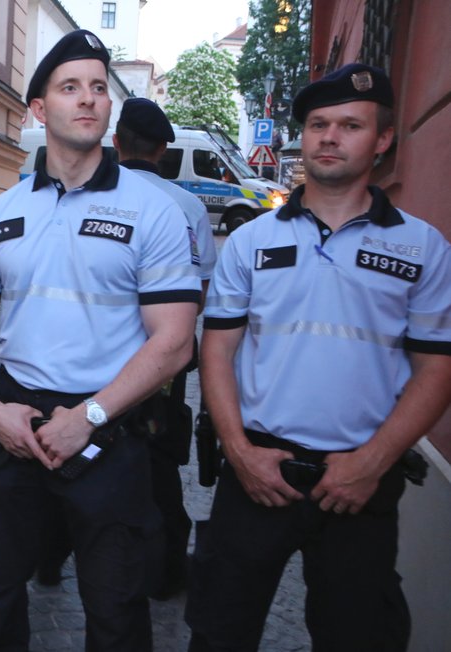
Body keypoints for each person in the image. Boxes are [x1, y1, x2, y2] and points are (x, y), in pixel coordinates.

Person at [185, 63, 451, 652]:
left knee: (357, 636)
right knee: (218, 632)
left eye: (350, 125)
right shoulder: (252, 241)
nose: (329, 137)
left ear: (382, 141)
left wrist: (373, 463)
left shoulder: (422, 247)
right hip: (258, 473)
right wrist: (239, 451)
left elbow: (438, 369)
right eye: (317, 124)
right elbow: (218, 350)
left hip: (358, 483)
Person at [0, 30, 201, 651]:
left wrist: (89, 417)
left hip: (109, 428)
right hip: (14, 423)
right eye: (70, 88)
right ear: (39, 109)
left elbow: (173, 341)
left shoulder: (154, 210)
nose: (88, 99)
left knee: (116, 610)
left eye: (98, 88)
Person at [114, 97, 217, 598]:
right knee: (156, 458)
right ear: (163, 152)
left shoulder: (91, 196)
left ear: (116, 142)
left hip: (101, 355)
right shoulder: (189, 207)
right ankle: (166, 573)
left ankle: (50, 557)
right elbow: (197, 295)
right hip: (162, 359)